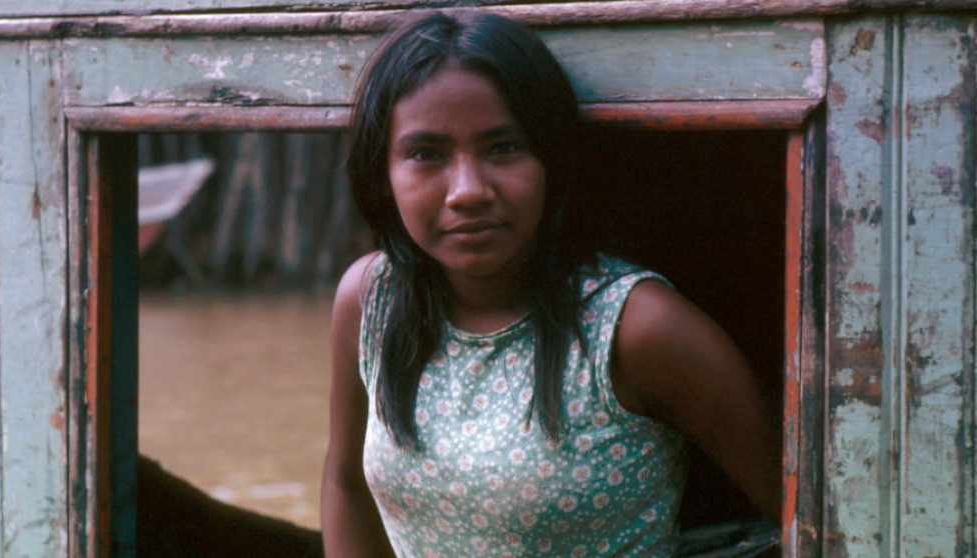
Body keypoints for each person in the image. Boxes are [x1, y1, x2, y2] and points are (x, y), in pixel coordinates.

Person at [321, 11, 781, 557]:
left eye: (503, 148)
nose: (468, 190)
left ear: (551, 162)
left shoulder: (637, 329)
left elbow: (822, 512)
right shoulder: (372, 299)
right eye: (427, 154)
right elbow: (345, 483)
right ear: (383, 173)